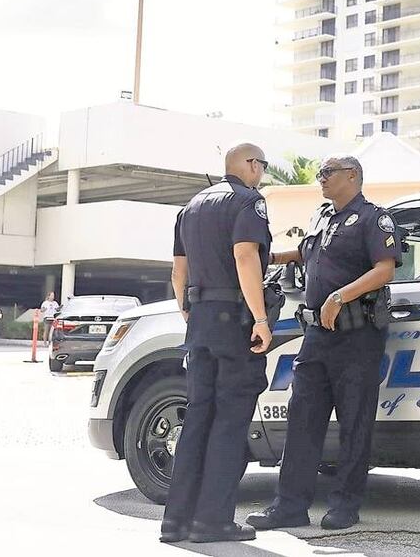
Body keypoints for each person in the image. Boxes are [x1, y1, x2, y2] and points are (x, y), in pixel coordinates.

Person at [247, 154, 400, 532]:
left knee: (354, 423)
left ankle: (345, 505)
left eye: (327, 173)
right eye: (319, 173)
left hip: (357, 336)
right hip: (316, 336)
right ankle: (289, 506)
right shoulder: (321, 215)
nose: (320, 178)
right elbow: (306, 253)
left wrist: (340, 296)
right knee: (302, 421)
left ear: (352, 175)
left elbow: (385, 268)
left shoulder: (372, 218)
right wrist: (265, 257)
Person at [160, 143, 273, 544]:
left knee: (197, 419)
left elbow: (178, 271)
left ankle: (175, 522)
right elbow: (246, 256)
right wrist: (260, 318)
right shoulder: (247, 202)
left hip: (201, 320)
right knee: (230, 421)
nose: (262, 173)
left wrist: (187, 310)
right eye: (262, 165)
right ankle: (212, 521)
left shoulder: (191, 207)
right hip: (233, 322)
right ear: (250, 165)